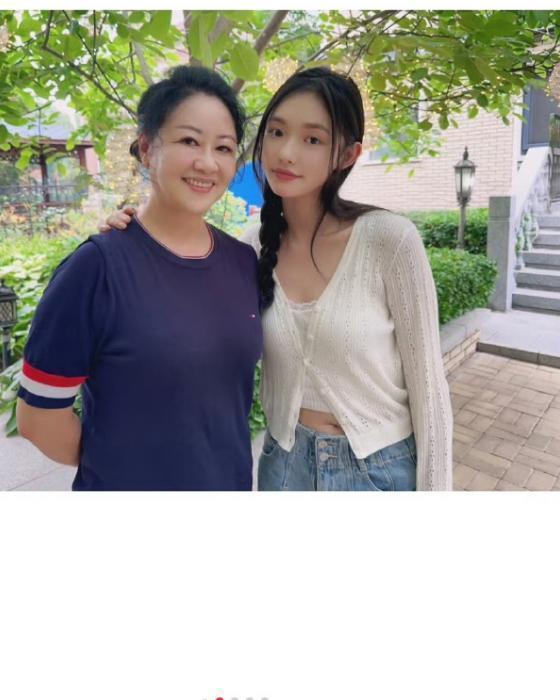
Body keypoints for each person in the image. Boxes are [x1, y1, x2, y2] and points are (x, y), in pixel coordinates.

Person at [106, 66, 453, 491]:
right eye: (276, 132)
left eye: (313, 139)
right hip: (283, 467)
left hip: (379, 471)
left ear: (347, 155)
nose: (286, 152)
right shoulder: (248, 250)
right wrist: (135, 235)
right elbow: (184, 306)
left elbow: (429, 388)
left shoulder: (389, 240)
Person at [17, 66, 262, 490]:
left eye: (223, 148)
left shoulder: (242, 262)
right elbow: (39, 419)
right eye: (189, 141)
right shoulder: (96, 268)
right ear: (147, 149)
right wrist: (121, 466)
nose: (207, 162)